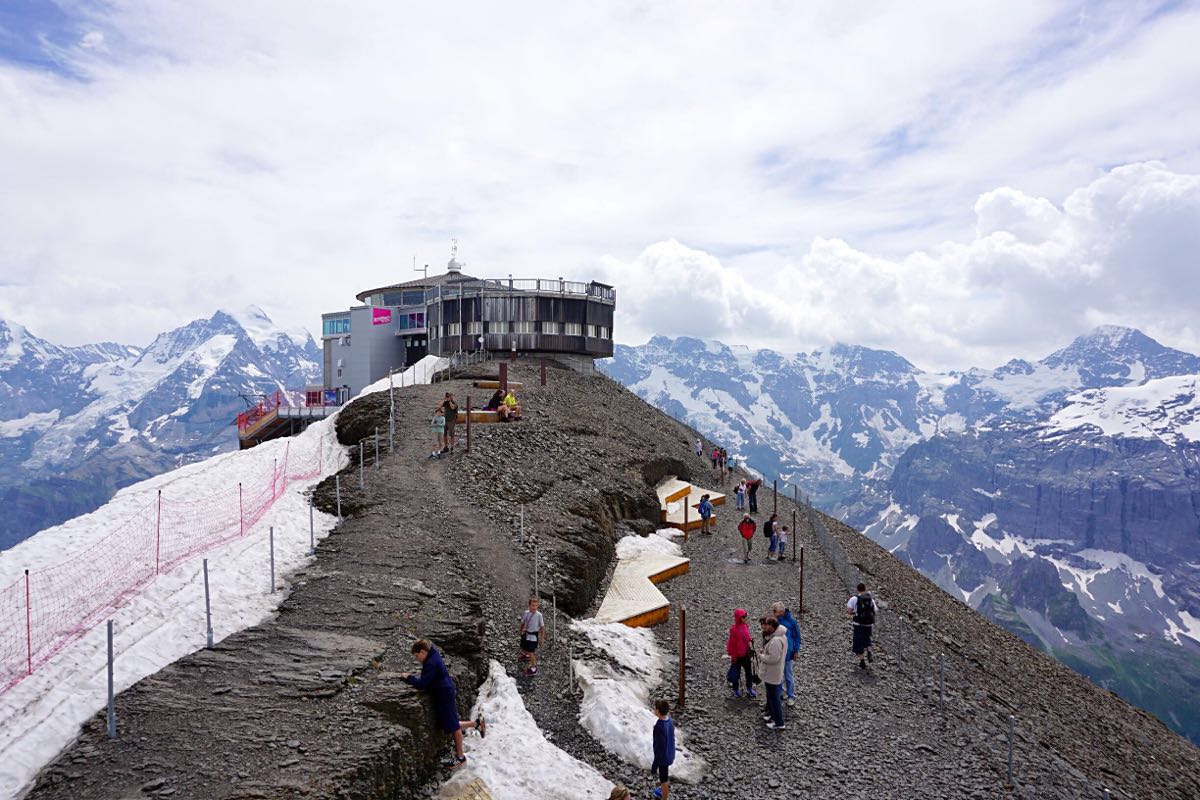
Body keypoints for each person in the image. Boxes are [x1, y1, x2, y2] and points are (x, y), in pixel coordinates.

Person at [401, 639, 485, 769]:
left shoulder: (431, 664)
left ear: (423, 651)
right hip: (445, 691)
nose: (418, 660)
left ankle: (460, 757)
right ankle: (476, 724)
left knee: (453, 726)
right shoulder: (433, 655)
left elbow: (422, 684)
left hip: (444, 694)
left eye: (417, 656)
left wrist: (409, 677)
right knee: (451, 722)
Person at [758, 617, 788, 730]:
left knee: (774, 697)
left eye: (767, 626)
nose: (766, 628)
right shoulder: (781, 636)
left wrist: (761, 656)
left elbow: (773, 658)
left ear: (772, 627)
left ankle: (779, 722)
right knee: (771, 696)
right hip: (775, 672)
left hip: (772, 673)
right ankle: (771, 715)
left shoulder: (776, 640)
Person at [772, 601, 802, 707]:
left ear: (780, 611)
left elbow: (797, 637)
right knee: (779, 674)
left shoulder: (792, 622)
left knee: (788, 675)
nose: (773, 613)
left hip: (788, 653)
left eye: (774, 611)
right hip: (778, 653)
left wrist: (796, 651)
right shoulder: (775, 621)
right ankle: (781, 691)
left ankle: (790, 696)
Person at [725, 608, 756, 698]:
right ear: (738, 618)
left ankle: (749, 688)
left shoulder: (745, 626)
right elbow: (732, 644)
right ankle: (735, 689)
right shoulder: (733, 630)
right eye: (743, 617)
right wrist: (733, 655)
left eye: (745, 616)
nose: (745, 618)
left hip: (746, 654)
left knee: (749, 672)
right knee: (736, 674)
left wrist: (750, 639)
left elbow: (746, 636)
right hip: (737, 656)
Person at [847, 582, 877, 670]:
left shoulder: (854, 598)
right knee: (867, 638)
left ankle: (862, 662)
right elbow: (875, 610)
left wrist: (854, 613)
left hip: (858, 624)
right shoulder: (870, 599)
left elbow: (849, 611)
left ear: (857, 589)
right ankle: (869, 651)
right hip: (869, 624)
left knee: (859, 642)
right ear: (865, 589)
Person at [651, 698, 675, 799]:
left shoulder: (659, 726)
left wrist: (654, 766)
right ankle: (664, 792)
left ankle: (664, 797)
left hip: (663, 757)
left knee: (663, 779)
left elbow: (659, 748)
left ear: (658, 711)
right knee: (664, 775)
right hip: (670, 753)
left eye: (655, 708)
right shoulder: (669, 720)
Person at [519, 596, 544, 676]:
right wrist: (521, 631)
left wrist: (542, 638)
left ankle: (533, 669)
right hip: (526, 633)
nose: (534, 607)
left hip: (533, 635)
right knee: (523, 646)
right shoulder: (526, 613)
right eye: (533, 605)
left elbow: (542, 627)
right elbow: (523, 623)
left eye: (536, 605)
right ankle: (526, 655)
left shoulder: (539, 615)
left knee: (531, 652)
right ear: (529, 605)